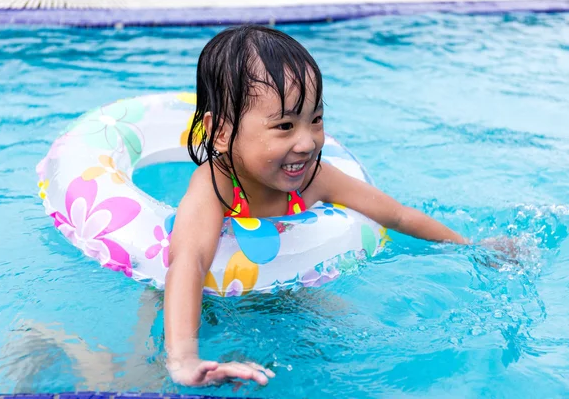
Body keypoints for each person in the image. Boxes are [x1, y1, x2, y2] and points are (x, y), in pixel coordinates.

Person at [164, 25, 492, 387]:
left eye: (315, 120)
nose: (307, 143)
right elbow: (188, 262)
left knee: (363, 339)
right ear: (222, 132)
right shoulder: (216, 186)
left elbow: (396, 214)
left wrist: (470, 248)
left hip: (287, 292)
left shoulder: (313, 178)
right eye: (285, 125)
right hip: (210, 304)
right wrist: (184, 359)